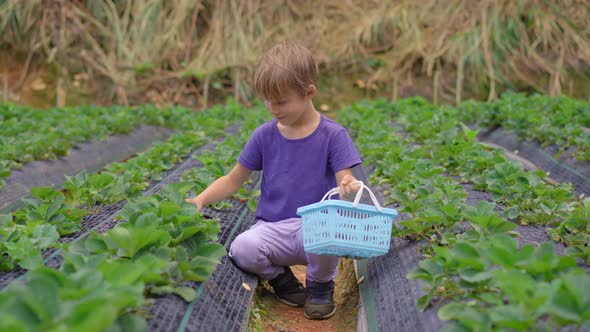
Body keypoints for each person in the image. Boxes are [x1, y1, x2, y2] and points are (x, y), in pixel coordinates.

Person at [185, 41, 362, 320]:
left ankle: (319, 286)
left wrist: (348, 183)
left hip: (313, 229)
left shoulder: (333, 135)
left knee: (329, 232)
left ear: (309, 92)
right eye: (267, 100)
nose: (272, 108)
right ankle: (282, 280)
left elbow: (345, 176)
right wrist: (200, 199)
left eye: (280, 101)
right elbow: (233, 180)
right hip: (273, 228)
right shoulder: (264, 136)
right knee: (242, 249)